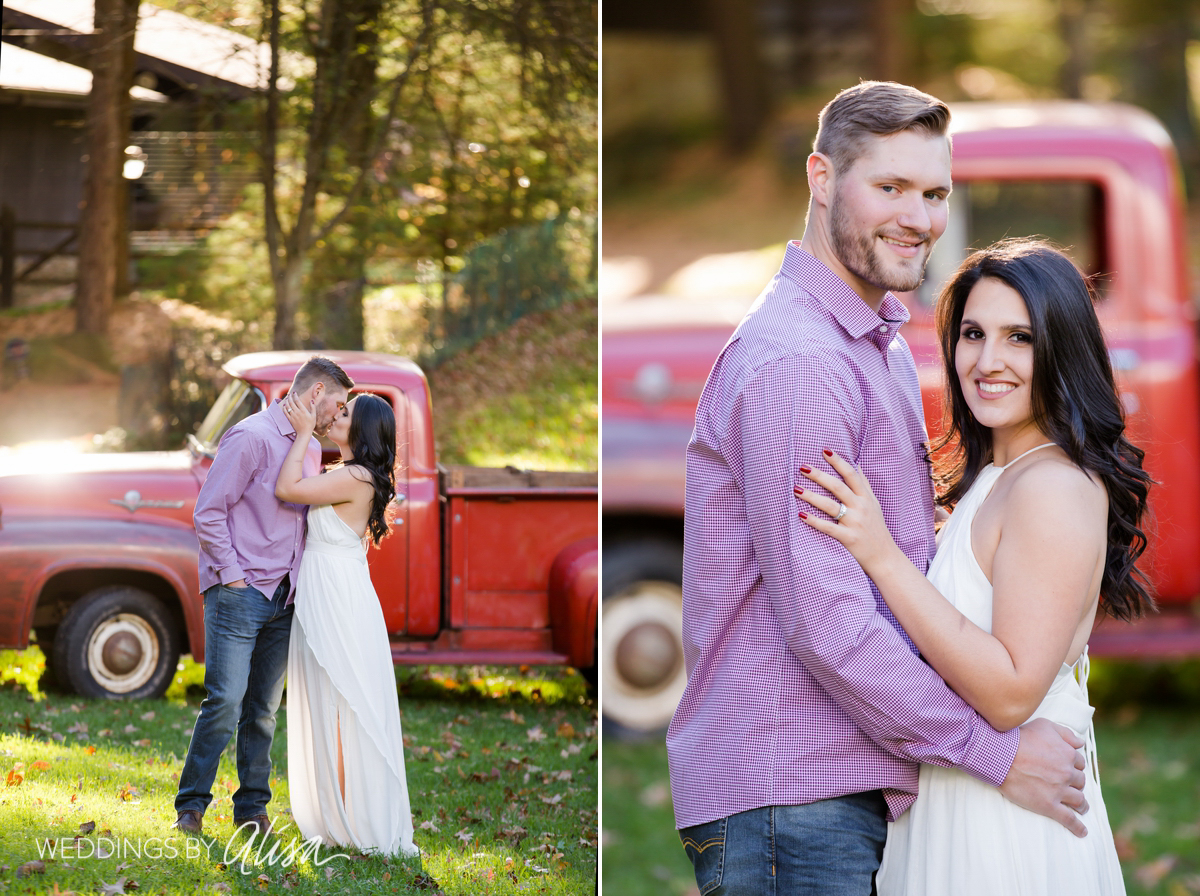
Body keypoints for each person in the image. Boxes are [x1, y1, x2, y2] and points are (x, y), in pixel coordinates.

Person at [666, 81, 1089, 896]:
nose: (918, 217)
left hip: (836, 790)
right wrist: (996, 754)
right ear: (821, 179)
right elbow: (827, 623)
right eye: (890, 187)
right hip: (793, 790)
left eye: (934, 194)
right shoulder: (804, 361)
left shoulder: (872, 343)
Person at [795, 239, 1149, 893]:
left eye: (1020, 338)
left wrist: (881, 556)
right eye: (973, 334)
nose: (988, 362)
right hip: (965, 801)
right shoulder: (1001, 477)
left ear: (1063, 350)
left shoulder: (1053, 487)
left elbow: (1011, 693)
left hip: (1006, 831)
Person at [175, 356, 353, 837]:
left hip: (285, 598)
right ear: (316, 393)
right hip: (240, 593)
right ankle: (190, 806)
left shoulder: (309, 447)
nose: (338, 416)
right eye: (338, 404)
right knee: (225, 702)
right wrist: (233, 577)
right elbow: (208, 513)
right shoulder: (250, 437)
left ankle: (251, 810)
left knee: (263, 712)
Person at [275, 389, 418, 856]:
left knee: (342, 701)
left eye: (347, 412)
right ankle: (340, 812)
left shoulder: (356, 476)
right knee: (334, 701)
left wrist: (302, 433)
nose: (338, 414)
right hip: (333, 589)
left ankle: (351, 817)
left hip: (338, 597)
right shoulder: (349, 472)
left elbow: (288, 489)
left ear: (363, 429)